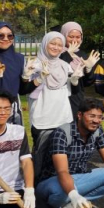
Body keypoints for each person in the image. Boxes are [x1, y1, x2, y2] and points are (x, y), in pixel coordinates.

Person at [27, 31, 84, 175]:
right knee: (41, 155)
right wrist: (35, 76)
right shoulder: (35, 64)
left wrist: (76, 77)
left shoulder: (64, 65)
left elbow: (77, 75)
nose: (56, 47)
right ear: (45, 43)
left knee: (62, 155)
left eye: (59, 45)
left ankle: (60, 187)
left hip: (62, 117)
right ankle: (38, 187)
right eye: (53, 43)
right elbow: (25, 86)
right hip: (42, 118)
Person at [59, 21, 100, 119]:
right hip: (60, 97)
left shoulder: (83, 55)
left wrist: (89, 69)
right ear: (63, 36)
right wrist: (67, 54)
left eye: (77, 37)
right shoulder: (56, 52)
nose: (74, 40)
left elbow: (87, 83)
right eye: (71, 36)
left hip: (77, 97)